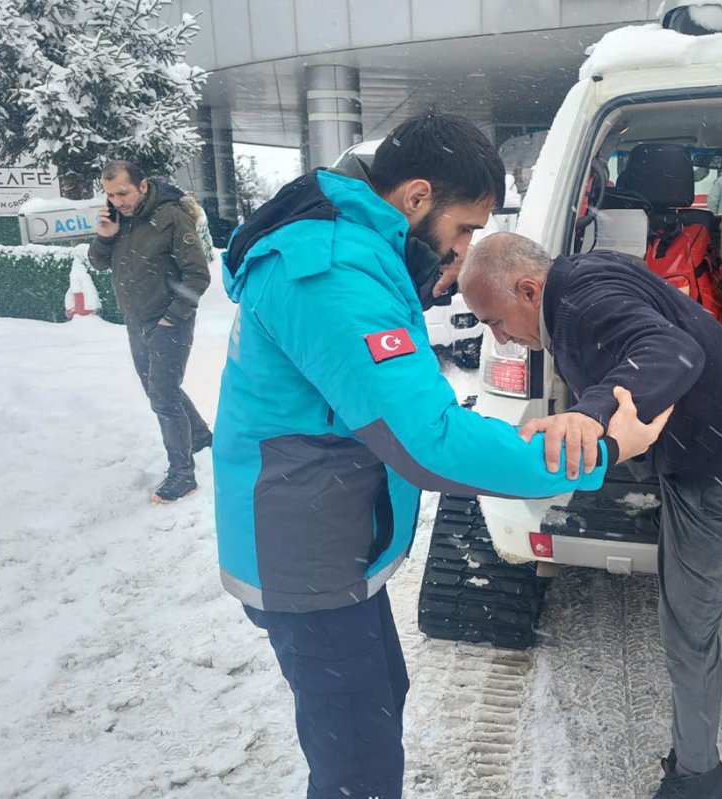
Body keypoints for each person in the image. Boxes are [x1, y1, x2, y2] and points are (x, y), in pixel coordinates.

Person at [212, 112, 668, 799]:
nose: (461, 254)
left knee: (378, 705)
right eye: (463, 229)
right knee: (357, 768)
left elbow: (397, 406)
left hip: (329, 536)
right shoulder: (332, 269)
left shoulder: (357, 244)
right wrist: (596, 448)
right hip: (303, 554)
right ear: (417, 195)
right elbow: (429, 443)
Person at [459, 232, 722, 799]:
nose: (501, 339)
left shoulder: (583, 305)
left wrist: (591, 414)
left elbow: (668, 351)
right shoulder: (582, 276)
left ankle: (699, 780)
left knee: (687, 634)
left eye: (495, 320)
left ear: (527, 287)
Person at [89, 160, 213, 503]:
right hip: (137, 320)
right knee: (158, 388)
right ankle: (201, 436)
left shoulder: (171, 217)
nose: (117, 200)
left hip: (167, 322)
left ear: (142, 186)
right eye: (110, 194)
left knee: (162, 395)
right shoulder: (118, 220)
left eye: (123, 192)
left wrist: (172, 318)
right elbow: (98, 262)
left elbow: (198, 276)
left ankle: (183, 475)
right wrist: (105, 237)